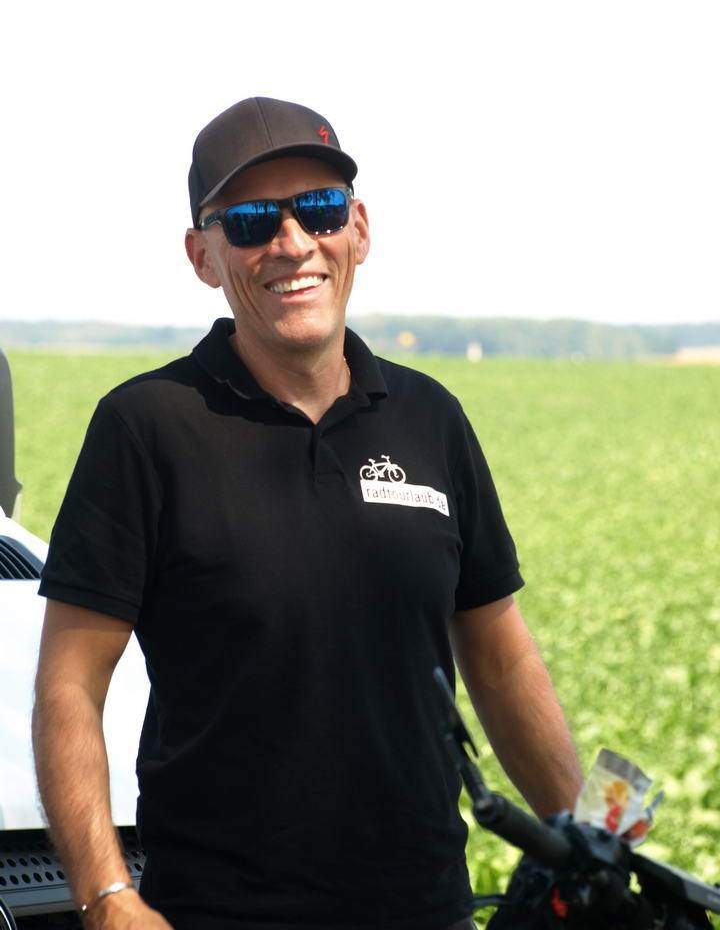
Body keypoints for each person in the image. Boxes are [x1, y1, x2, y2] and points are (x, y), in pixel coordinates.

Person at [33, 97, 583, 930]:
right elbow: (69, 686)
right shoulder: (145, 427)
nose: (292, 243)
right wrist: (108, 897)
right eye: (252, 222)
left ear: (357, 228)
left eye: (319, 209)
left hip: (425, 910)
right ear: (203, 255)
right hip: (218, 914)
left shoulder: (430, 417)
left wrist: (591, 842)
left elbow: (500, 658)